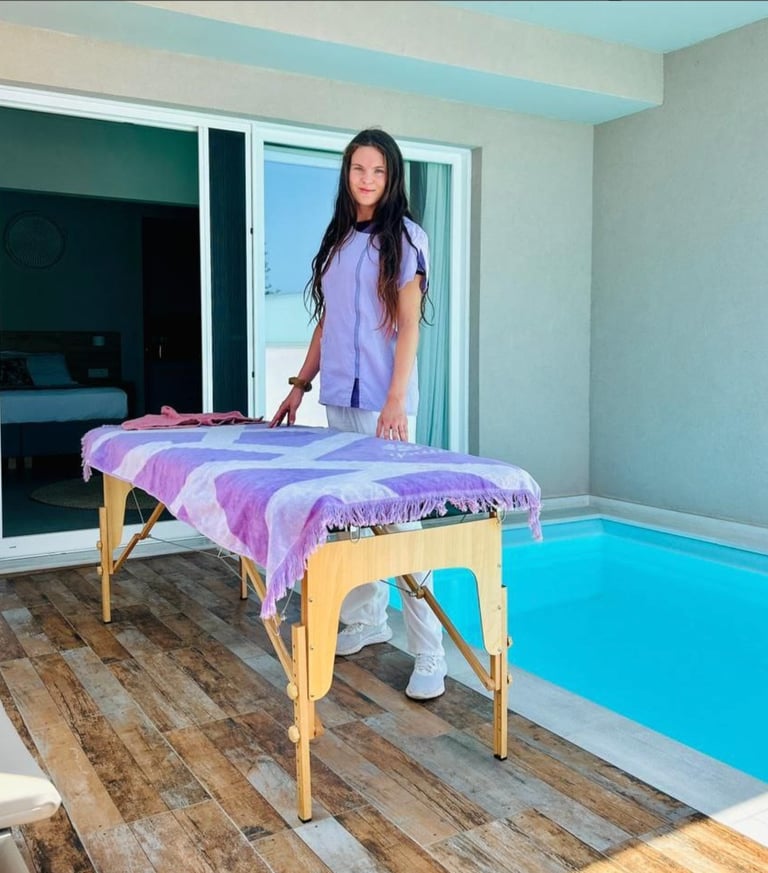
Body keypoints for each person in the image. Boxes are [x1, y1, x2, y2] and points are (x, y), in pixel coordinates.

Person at [269, 127, 446, 700]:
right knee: (349, 522)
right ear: (347, 175)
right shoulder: (340, 240)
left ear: (391, 178)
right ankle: (368, 621)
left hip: (382, 407)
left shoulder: (407, 237)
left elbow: (410, 325)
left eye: (378, 171)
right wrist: (300, 385)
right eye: (358, 169)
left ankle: (431, 651)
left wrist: (396, 399)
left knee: (400, 527)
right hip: (338, 400)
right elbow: (328, 323)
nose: (367, 180)